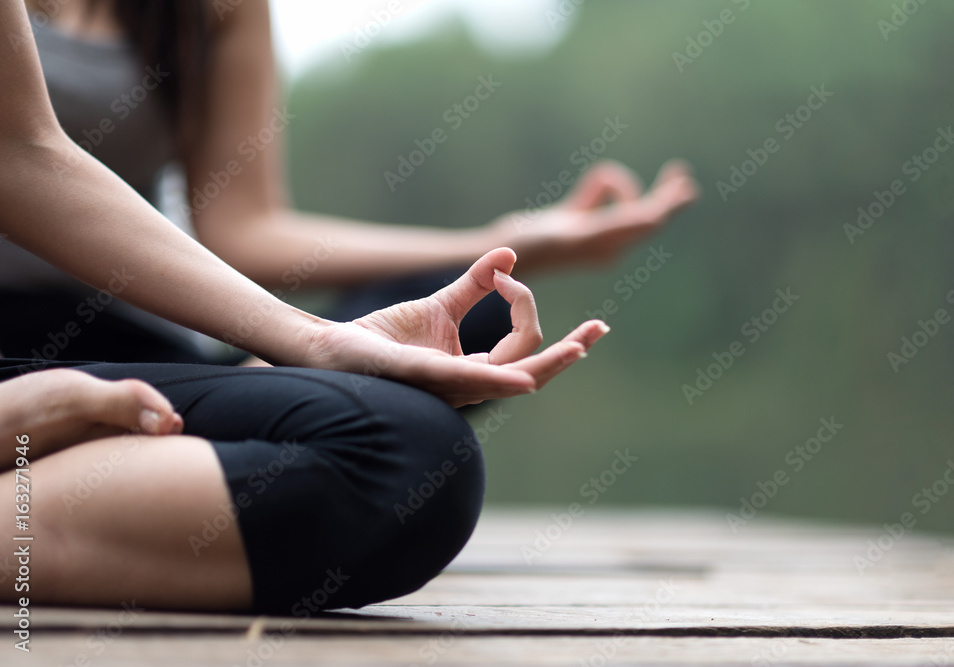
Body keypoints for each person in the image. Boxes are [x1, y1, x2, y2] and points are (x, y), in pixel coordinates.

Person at [0, 0, 609, 613]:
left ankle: (76, 449)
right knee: (394, 456)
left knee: (432, 407)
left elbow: (234, 222)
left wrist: (318, 339)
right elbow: (21, 155)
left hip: (127, 347)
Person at [0, 0, 698, 364]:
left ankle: (229, 408)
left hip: (139, 334)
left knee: (464, 313)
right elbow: (23, 156)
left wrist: (499, 245)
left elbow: (244, 230)